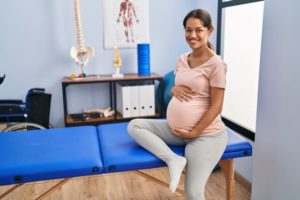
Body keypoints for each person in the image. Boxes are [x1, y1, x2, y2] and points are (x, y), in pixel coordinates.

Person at [128, 8, 228, 200]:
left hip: (205, 135)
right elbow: (179, 85)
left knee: (193, 193)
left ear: (210, 30)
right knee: (135, 125)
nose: (192, 35)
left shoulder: (216, 64)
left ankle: (180, 156)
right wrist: (173, 89)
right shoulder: (182, 59)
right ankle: (173, 160)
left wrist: (195, 132)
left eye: (198, 30)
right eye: (187, 30)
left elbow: (217, 106)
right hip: (177, 132)